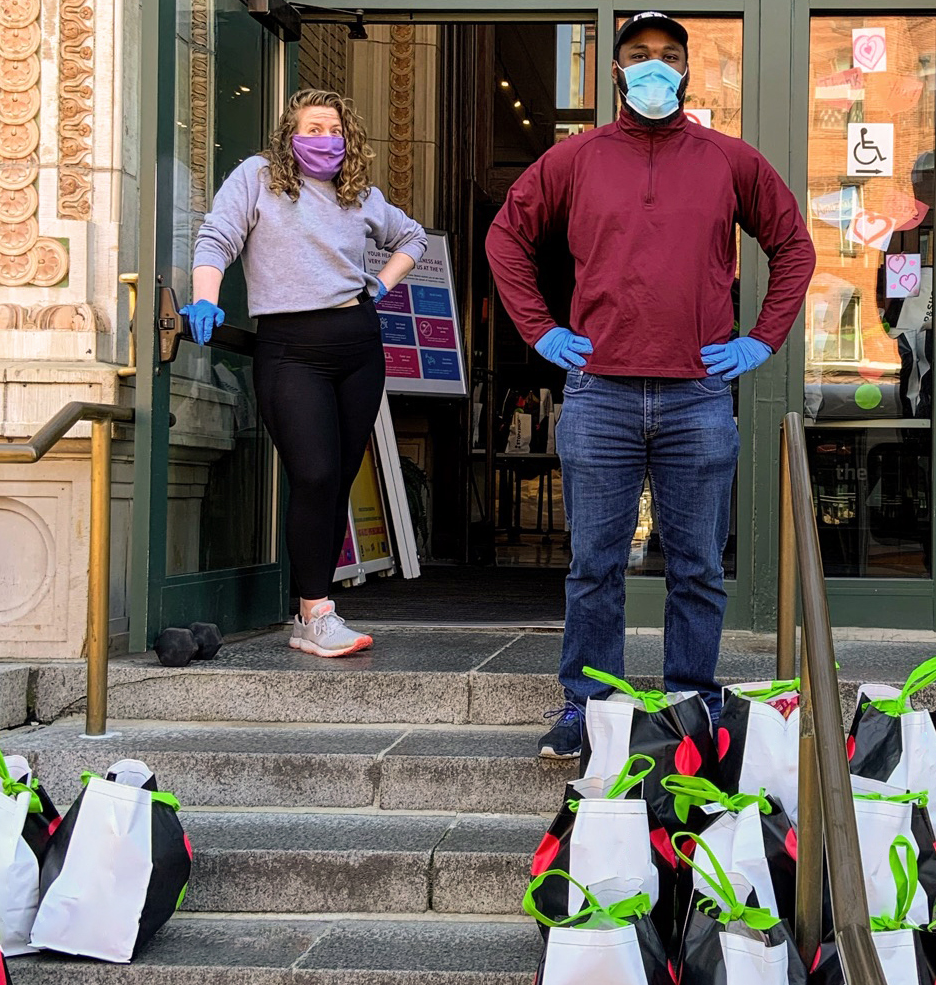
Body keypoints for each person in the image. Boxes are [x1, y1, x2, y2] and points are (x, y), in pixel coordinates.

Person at [486, 11, 816, 758]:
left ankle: (693, 704)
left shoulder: (731, 160)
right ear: (615, 71)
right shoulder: (576, 160)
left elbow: (793, 244)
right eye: (639, 55)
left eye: (670, 56)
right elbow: (506, 235)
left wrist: (762, 338)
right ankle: (587, 707)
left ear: (689, 71)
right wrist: (540, 330)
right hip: (599, 390)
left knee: (696, 565)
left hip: (697, 392)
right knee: (594, 564)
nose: (655, 67)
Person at [184, 89, 429, 658]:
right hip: (291, 347)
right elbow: (217, 236)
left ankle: (311, 613)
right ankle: (316, 612)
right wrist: (204, 296)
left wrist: (381, 286)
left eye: (334, 129)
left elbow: (411, 237)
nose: (324, 138)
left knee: (338, 479)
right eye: (312, 127)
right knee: (314, 474)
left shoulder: (361, 195)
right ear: (289, 134)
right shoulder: (259, 177)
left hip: (358, 344)